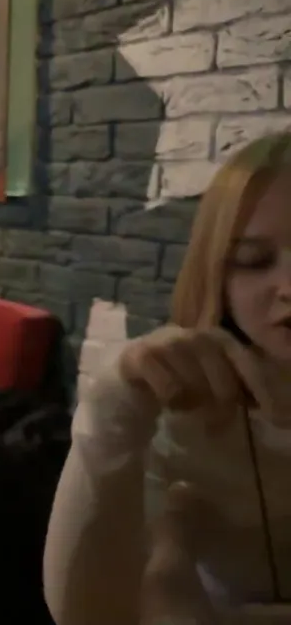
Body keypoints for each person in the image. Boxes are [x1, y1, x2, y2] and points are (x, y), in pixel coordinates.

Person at [43, 132, 291, 625]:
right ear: (216, 275)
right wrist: (114, 404)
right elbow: (88, 616)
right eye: (253, 262)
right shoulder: (178, 416)